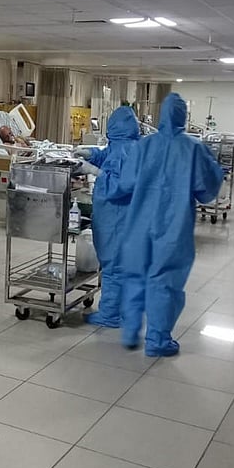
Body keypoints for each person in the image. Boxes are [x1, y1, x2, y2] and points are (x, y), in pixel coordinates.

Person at [110, 93, 223, 356]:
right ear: (183, 115)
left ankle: (130, 329)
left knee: (136, 274)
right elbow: (207, 190)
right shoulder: (194, 148)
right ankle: (157, 340)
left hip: (139, 222)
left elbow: (125, 184)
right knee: (165, 279)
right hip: (173, 225)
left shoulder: (143, 146)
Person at [74, 106, 141, 328]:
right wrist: (91, 154)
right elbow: (108, 156)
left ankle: (110, 315)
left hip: (116, 216)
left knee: (113, 266)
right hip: (122, 216)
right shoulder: (126, 145)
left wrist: (93, 171)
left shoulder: (125, 150)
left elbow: (120, 184)